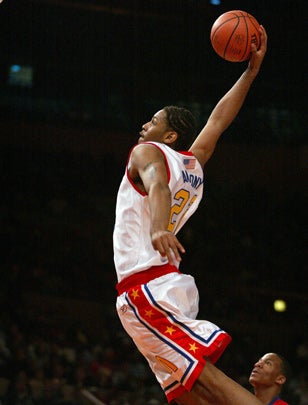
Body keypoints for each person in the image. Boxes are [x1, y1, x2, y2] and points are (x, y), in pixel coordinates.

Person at [113, 25, 267, 405]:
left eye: (153, 121)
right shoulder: (193, 162)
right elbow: (218, 121)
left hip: (145, 287)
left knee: (208, 382)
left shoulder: (146, 153)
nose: (144, 126)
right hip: (164, 284)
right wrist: (250, 72)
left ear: (168, 137)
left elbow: (158, 185)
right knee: (190, 396)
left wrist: (158, 228)